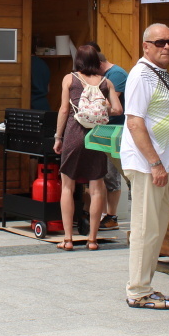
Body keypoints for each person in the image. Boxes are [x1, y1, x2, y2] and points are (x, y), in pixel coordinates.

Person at [121, 23, 169, 310]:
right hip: (148, 165)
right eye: (160, 42)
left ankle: (144, 287)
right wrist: (155, 164)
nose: (166, 47)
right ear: (145, 46)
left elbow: (155, 114)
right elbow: (134, 122)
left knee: (156, 227)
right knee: (145, 228)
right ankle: (138, 291)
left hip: (160, 164)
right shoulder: (141, 75)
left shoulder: (157, 73)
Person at [53, 45, 122, 251]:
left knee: (67, 186)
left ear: (78, 61)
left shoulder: (69, 79)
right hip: (97, 137)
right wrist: (102, 107)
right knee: (96, 188)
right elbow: (118, 109)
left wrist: (58, 137)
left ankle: (68, 239)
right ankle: (92, 240)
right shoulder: (106, 82)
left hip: (74, 134)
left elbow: (64, 110)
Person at [84, 41, 128, 231]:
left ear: (99, 65)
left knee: (111, 175)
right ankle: (96, 214)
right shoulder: (103, 76)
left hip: (114, 131)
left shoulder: (116, 75)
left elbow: (111, 105)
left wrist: (89, 108)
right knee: (97, 175)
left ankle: (111, 216)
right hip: (99, 130)